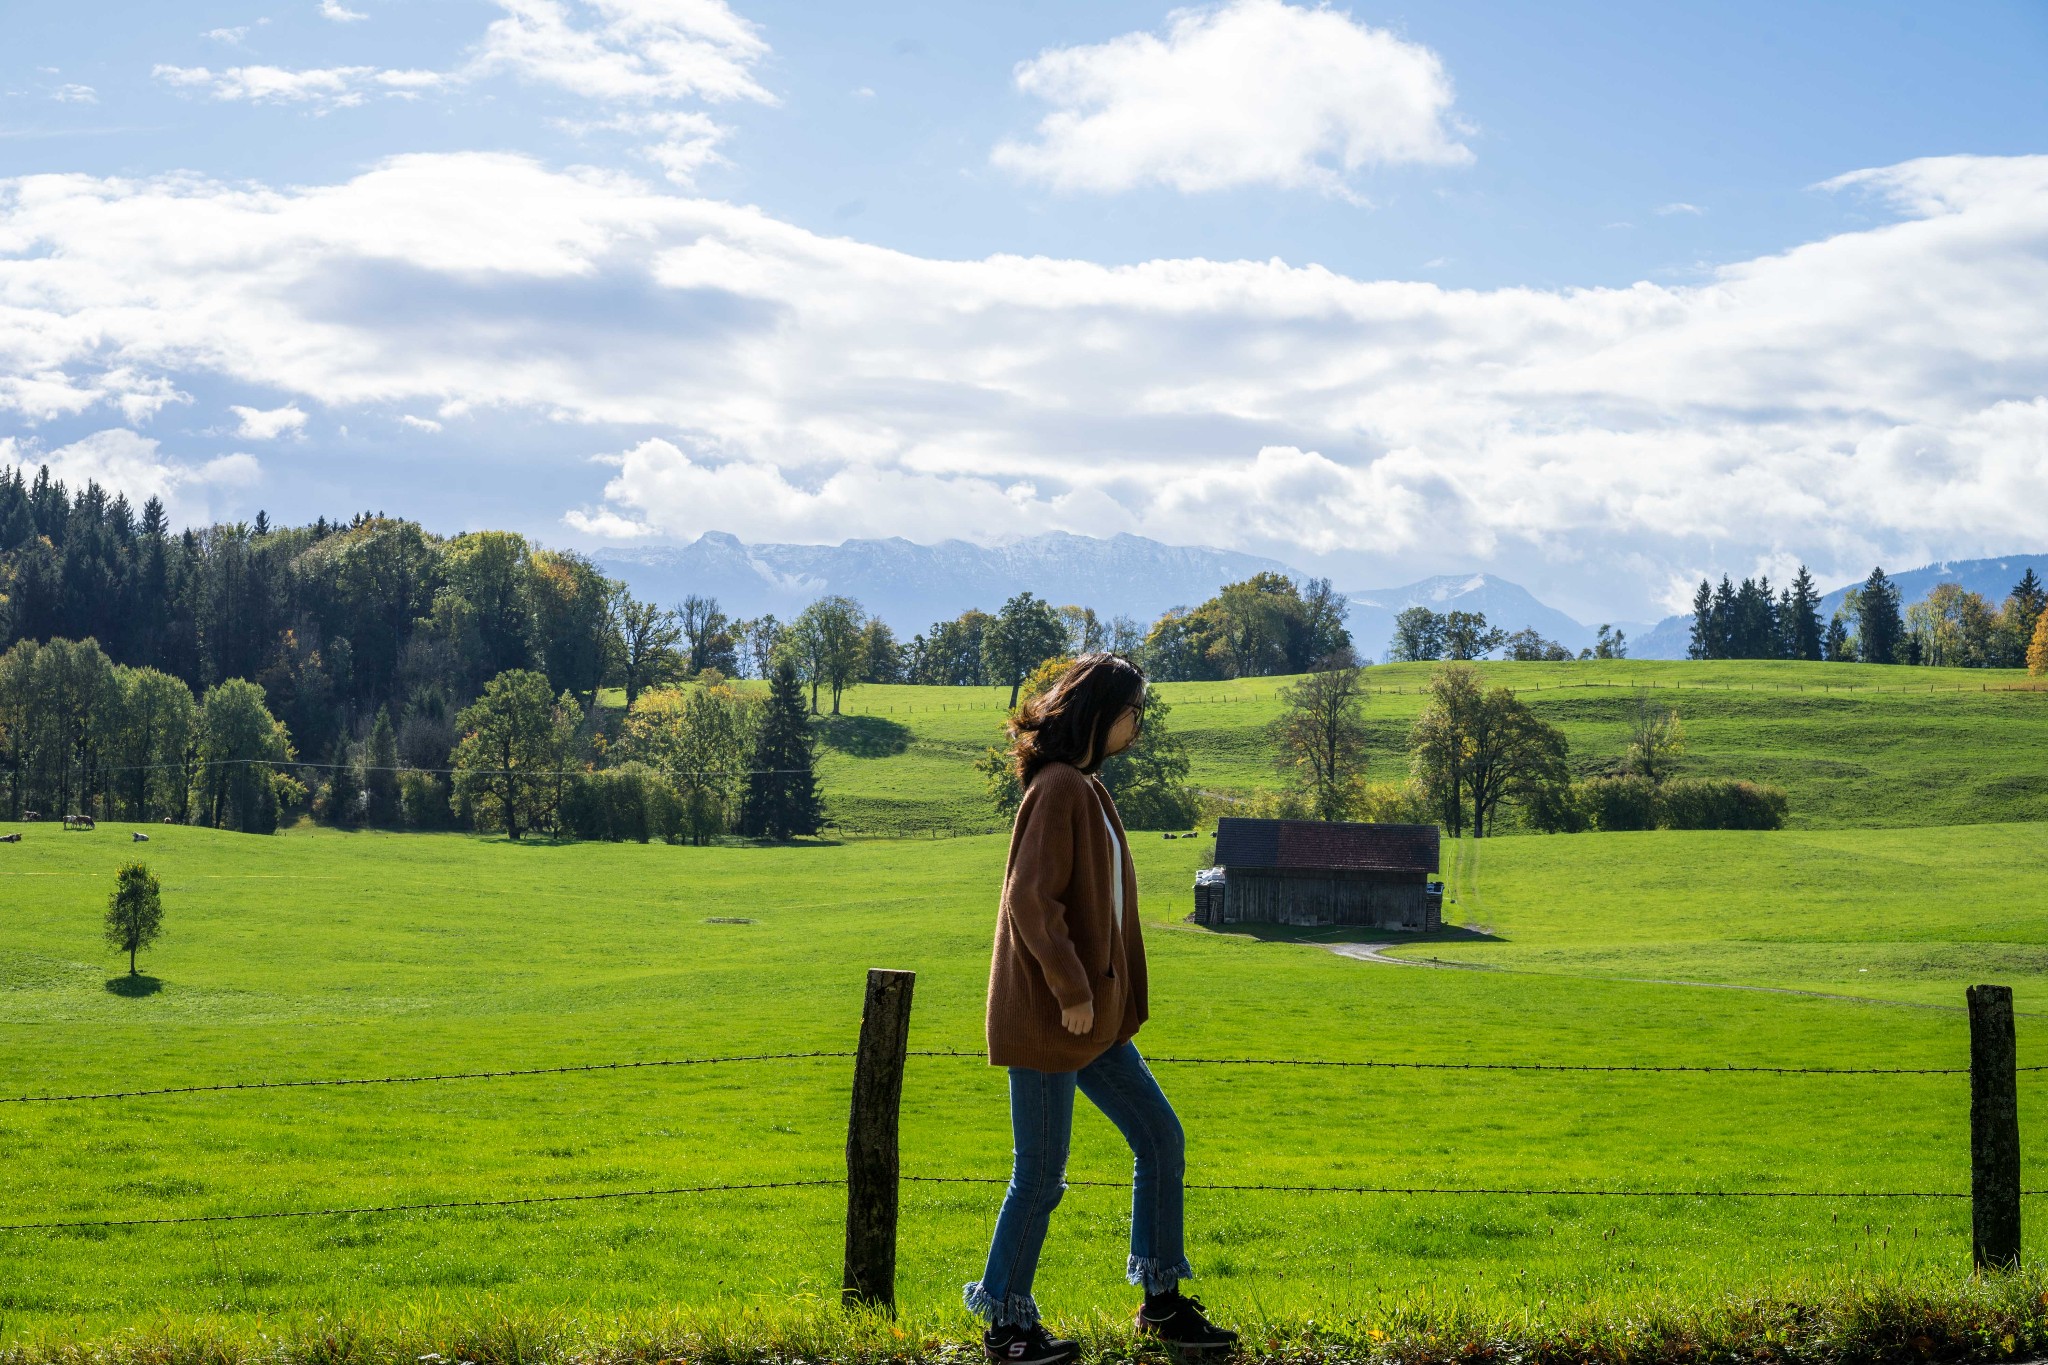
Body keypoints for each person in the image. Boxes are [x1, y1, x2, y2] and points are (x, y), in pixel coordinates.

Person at [964, 653, 1238, 1363]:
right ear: (1100, 712)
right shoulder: (1058, 788)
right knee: (1040, 1176)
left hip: (1095, 1023)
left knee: (1160, 1137)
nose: (1139, 726)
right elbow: (1031, 899)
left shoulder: (1084, 786)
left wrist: (1099, 1001)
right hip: (1055, 1020)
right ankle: (1006, 1325)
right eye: (1132, 712)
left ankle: (1162, 1300)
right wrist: (1074, 990)